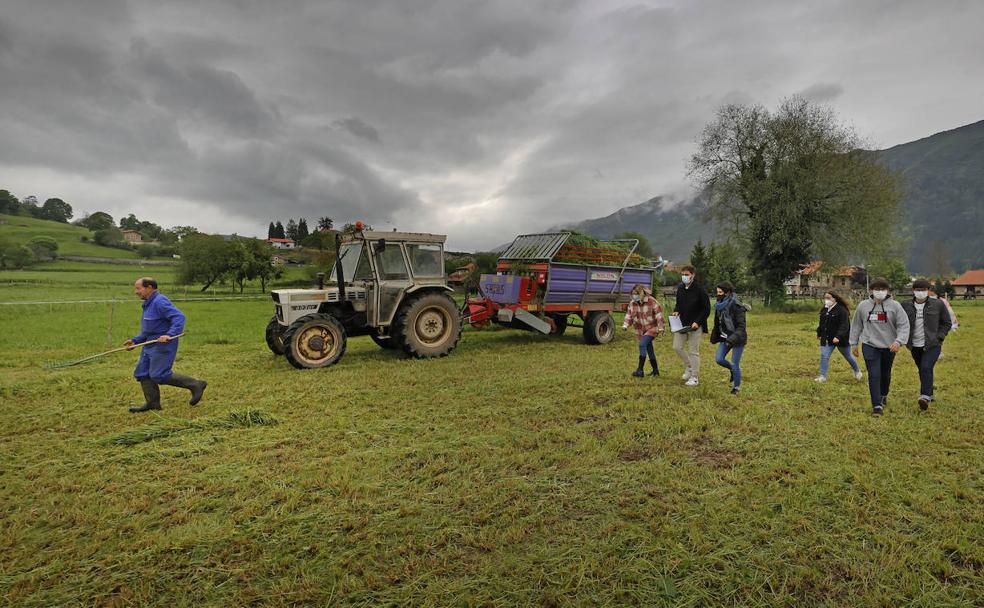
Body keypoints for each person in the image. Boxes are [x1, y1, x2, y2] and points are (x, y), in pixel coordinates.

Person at [125, 277, 207, 413]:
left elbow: (179, 317)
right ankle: (153, 404)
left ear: (149, 288)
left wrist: (170, 334)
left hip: (163, 344)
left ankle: (196, 384)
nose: (136, 292)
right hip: (150, 344)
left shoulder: (159, 302)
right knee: (142, 373)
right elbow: (150, 329)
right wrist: (135, 341)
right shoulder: (148, 304)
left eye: (138, 288)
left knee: (159, 374)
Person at [849, 278, 910, 416]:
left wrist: (898, 341)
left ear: (887, 291)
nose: (880, 292)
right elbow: (856, 325)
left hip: (889, 346)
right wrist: (854, 343)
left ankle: (883, 394)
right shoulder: (863, 306)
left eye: (883, 289)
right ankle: (877, 405)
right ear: (871, 290)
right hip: (869, 345)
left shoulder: (895, 306)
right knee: (874, 374)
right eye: (877, 289)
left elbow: (903, 325)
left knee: (885, 374)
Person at [901, 279, 952, 411]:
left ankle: (924, 397)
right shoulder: (905, 305)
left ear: (928, 290)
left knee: (925, 367)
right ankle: (930, 393)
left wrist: (939, 337)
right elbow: (899, 322)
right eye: (918, 290)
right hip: (914, 345)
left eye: (923, 290)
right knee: (923, 369)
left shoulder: (938, 304)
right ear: (913, 290)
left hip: (932, 344)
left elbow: (946, 323)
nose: (920, 292)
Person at [671, 265, 711, 386]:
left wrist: (698, 322)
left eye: (687, 275)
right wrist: (676, 311)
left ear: (693, 275)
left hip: (695, 326)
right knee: (677, 347)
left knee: (694, 351)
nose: (684, 277)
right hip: (682, 324)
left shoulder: (700, 289)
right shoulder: (680, 289)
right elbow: (678, 304)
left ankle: (694, 377)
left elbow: (706, 309)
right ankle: (689, 366)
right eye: (682, 275)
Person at [815, 290, 863, 382]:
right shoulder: (825, 309)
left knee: (848, 356)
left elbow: (844, 325)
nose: (826, 300)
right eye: (825, 298)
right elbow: (822, 322)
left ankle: (857, 371)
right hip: (827, 338)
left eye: (828, 298)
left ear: (835, 299)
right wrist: (819, 333)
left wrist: (838, 336)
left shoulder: (842, 310)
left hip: (840, 339)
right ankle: (822, 376)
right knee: (824, 356)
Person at [709, 282, 747, 395]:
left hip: (738, 339)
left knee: (735, 363)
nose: (718, 294)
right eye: (717, 292)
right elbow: (718, 322)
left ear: (728, 292)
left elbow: (741, 327)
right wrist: (715, 335)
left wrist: (732, 339)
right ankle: (733, 370)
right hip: (724, 337)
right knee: (719, 359)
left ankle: (736, 387)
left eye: (720, 292)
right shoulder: (719, 304)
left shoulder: (737, 306)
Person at [621, 284, 665, 377]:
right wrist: (625, 325)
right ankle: (655, 371)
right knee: (649, 349)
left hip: (652, 328)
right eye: (632, 294)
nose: (634, 296)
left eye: (636, 294)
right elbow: (628, 315)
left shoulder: (652, 301)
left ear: (641, 294)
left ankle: (640, 370)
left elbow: (659, 315)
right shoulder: (632, 303)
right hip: (641, 329)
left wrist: (661, 328)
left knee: (642, 345)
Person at [928, 286, 958, 359]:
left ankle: (938, 353)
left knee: (938, 338)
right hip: (930, 322)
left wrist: (954, 321)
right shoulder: (926, 300)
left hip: (940, 322)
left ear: (932, 291)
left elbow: (949, 312)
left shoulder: (942, 301)